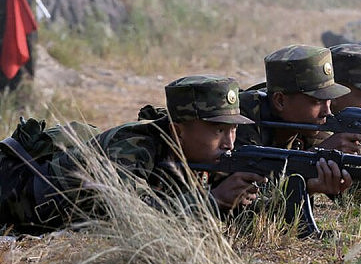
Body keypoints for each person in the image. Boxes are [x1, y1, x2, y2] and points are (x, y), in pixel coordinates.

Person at [0, 75, 268, 233]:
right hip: (14, 189)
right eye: (218, 130)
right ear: (179, 130)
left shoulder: (202, 155)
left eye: (233, 130)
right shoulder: (134, 147)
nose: (229, 143)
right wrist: (211, 201)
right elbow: (132, 217)